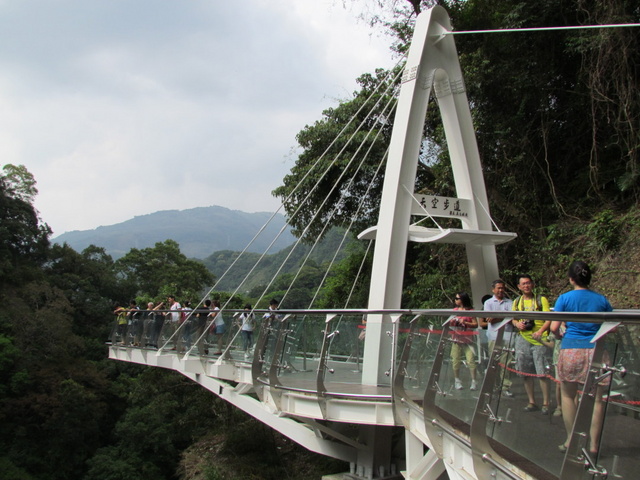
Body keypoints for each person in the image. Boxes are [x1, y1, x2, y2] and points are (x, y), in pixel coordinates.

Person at [551, 261, 613, 455]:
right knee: (597, 400)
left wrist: (561, 335)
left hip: (571, 349)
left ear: (571, 279)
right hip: (597, 350)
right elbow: (611, 325)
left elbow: (554, 328)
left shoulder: (564, 298)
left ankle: (572, 440)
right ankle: (594, 446)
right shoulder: (601, 299)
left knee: (568, 395)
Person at [511, 275, 552, 414]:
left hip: (539, 339)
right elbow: (513, 318)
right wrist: (517, 324)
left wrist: (541, 331)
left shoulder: (541, 300)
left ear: (533, 284)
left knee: (542, 371)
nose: (526, 286)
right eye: (523, 284)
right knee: (525, 371)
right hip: (523, 338)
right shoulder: (517, 302)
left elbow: (549, 318)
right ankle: (531, 401)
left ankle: (546, 402)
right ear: (519, 287)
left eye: (528, 283)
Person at [480, 279, 514, 396]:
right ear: (493, 289)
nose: (500, 290)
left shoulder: (510, 302)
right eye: (498, 288)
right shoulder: (488, 303)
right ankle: (494, 385)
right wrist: (505, 317)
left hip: (507, 336)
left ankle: (506, 386)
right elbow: (489, 319)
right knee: (494, 362)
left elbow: (512, 319)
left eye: (502, 288)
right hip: (493, 336)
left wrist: (498, 317)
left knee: (506, 363)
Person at [449, 292, 478, 391]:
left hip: (468, 339)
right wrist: (454, 321)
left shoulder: (470, 311)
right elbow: (450, 322)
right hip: (456, 338)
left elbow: (475, 324)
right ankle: (457, 380)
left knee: (470, 360)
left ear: (462, 299)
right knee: (455, 360)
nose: (455, 300)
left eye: (457, 298)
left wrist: (465, 322)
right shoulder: (455, 310)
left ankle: (474, 381)